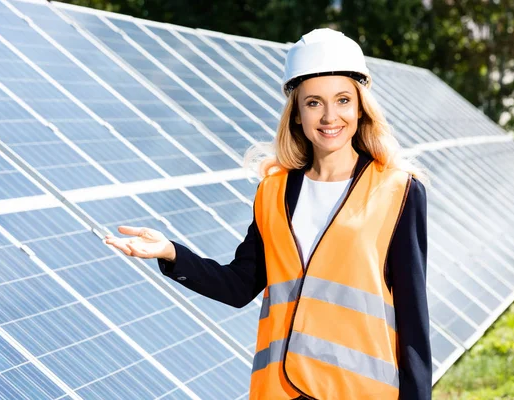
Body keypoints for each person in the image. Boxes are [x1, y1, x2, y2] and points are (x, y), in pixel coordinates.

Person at [105, 28, 432, 400]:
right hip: (277, 391)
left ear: (360, 107)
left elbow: (412, 319)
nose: (330, 116)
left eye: (342, 100)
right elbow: (239, 286)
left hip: (358, 392)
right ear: (296, 114)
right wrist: (171, 253)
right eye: (313, 103)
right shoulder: (272, 191)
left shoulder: (398, 189)